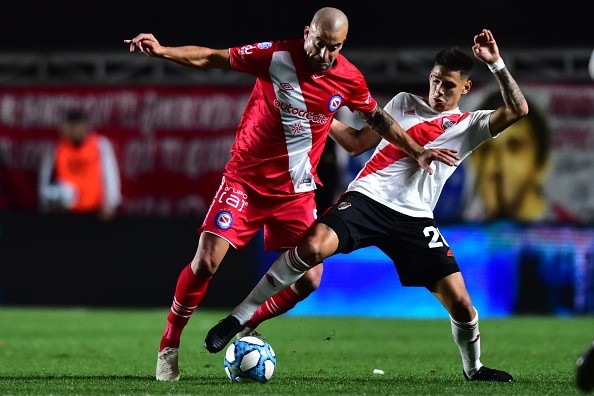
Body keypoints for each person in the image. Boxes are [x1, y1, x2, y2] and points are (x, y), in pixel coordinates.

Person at [124, 7, 458, 382]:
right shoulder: (275, 56)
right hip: (246, 182)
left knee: (310, 278)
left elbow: (377, 120)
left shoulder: (349, 77)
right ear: (306, 33)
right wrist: (163, 51)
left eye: (335, 47)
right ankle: (169, 345)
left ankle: (245, 322)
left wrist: (416, 150)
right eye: (320, 44)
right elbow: (213, 57)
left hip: (296, 192)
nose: (325, 54)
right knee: (206, 261)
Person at [205, 28, 529, 382]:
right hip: (367, 199)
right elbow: (358, 142)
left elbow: (518, 109)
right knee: (312, 247)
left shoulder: (470, 125)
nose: (438, 90)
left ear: (465, 88)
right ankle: (241, 315)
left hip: (415, 219)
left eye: (449, 86)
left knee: (464, 307)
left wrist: (495, 63)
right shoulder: (404, 103)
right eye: (436, 81)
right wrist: (316, 115)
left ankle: (474, 369)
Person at [38, 108, 122, 221]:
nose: (74, 130)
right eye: (70, 126)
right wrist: (45, 204)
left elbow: (110, 175)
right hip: (64, 211)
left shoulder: (100, 144)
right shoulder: (56, 148)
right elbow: (45, 178)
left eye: (77, 126)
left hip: (95, 211)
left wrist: (110, 204)